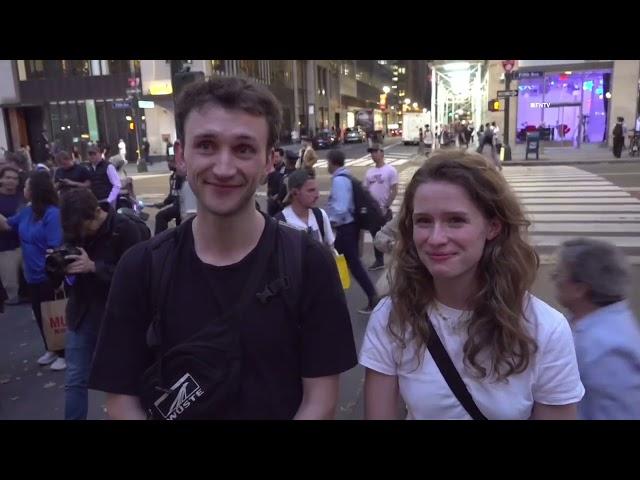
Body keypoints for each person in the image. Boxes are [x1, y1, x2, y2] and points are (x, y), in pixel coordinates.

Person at [88, 76, 357, 420]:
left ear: (269, 162)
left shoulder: (309, 263)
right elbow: (121, 400)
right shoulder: (140, 267)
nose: (224, 167)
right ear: (181, 156)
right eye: (207, 145)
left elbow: (320, 400)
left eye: (243, 148)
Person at [360, 151, 584, 419]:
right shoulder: (391, 318)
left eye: (455, 220)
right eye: (423, 221)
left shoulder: (545, 328)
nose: (436, 238)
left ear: (492, 227)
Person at [59, 188, 144, 420]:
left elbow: (137, 279)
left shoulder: (125, 229)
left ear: (97, 212)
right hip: (81, 313)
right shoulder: (76, 227)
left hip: (116, 318)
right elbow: (67, 266)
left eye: (86, 228)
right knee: (75, 380)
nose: (82, 234)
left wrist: (94, 267)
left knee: (119, 384)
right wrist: (61, 264)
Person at [552, 238, 640, 419]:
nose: (554, 277)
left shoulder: (608, 347)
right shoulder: (582, 322)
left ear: (580, 289)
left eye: (559, 273)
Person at [0, 171, 66, 371]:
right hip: (31, 273)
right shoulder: (27, 212)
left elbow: (55, 246)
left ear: (36, 190)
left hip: (48, 275)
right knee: (39, 313)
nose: (23, 189)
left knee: (55, 314)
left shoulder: (52, 213)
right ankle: (51, 348)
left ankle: (64, 352)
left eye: (27, 186)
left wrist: (56, 275)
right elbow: (6, 225)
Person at [326, 149, 379, 314]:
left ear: (332, 163)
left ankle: (372, 297)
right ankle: (337, 294)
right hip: (350, 226)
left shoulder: (339, 181)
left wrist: (329, 220)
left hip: (345, 227)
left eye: (328, 162)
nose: (327, 165)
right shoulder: (346, 177)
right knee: (339, 262)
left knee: (348, 263)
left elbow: (341, 208)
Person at [275, 169, 334, 248]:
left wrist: (342, 261)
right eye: (311, 190)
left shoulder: (320, 215)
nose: (317, 195)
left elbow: (333, 250)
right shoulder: (280, 223)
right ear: (295, 193)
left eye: (316, 190)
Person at [364, 144, 398, 271]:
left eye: (375, 152)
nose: (373, 155)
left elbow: (394, 190)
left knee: (390, 235)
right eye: (371, 152)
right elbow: (365, 191)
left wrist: (386, 206)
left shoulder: (390, 170)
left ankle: (396, 260)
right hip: (372, 210)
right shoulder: (369, 172)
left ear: (382, 153)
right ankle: (379, 261)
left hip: (384, 209)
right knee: (375, 236)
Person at [0, 166, 25, 305]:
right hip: (5, 249)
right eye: (8, 177)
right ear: (1, 179)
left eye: (15, 178)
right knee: (11, 288)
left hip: (26, 246)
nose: (11, 181)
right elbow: (3, 226)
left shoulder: (23, 195)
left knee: (34, 283)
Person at [153, 155, 184, 235]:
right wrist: (163, 203)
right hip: (177, 205)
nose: (169, 164)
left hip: (182, 206)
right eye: (168, 162)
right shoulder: (172, 177)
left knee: (160, 216)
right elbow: (172, 195)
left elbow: (180, 195)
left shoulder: (182, 176)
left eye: (171, 162)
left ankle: (159, 239)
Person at [87, 144, 121, 209]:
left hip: (107, 199)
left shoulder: (108, 166)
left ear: (100, 154)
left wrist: (109, 200)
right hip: (95, 202)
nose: (92, 156)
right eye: (90, 154)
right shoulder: (89, 168)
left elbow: (117, 185)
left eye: (94, 154)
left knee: (110, 218)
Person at [266, 147, 286, 216]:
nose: (274, 159)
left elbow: (285, 186)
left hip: (280, 201)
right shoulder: (271, 167)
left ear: (282, 157)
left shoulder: (285, 169)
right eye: (273, 157)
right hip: (271, 200)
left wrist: (277, 196)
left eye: (277, 157)